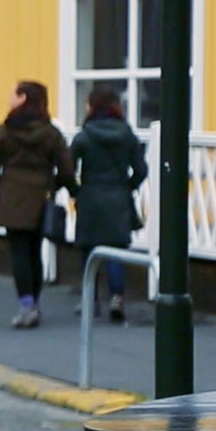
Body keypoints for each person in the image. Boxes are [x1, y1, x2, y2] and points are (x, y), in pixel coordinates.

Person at [0, 80, 74, 329]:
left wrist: (3, 186)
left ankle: (26, 305)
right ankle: (34, 301)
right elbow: (67, 170)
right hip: (41, 195)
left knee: (19, 252)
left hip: (13, 195)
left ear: (22, 98)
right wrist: (55, 185)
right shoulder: (51, 133)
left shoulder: (6, 130)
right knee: (35, 251)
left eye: (14, 94)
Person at [69, 87, 148, 324]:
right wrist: (128, 187)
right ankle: (117, 297)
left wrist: (77, 192)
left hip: (91, 195)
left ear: (92, 107)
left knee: (88, 250)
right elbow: (141, 170)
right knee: (115, 250)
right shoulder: (127, 134)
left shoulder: (84, 136)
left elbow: (67, 167)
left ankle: (90, 300)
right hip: (118, 196)